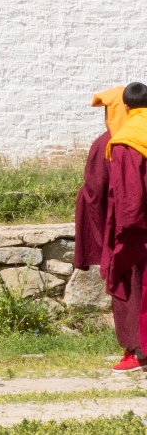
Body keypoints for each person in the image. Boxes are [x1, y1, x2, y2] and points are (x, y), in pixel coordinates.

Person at [90, 83, 147, 371]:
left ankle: (137, 352)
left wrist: (121, 236)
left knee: (133, 288)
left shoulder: (122, 142)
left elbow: (117, 195)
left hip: (136, 231)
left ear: (122, 107)